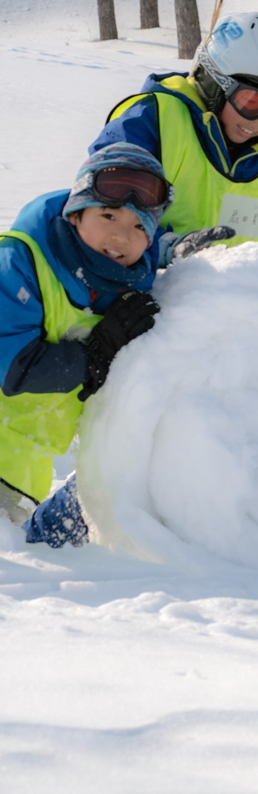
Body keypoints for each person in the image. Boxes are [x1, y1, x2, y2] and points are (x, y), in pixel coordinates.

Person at [0, 143, 170, 546]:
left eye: (138, 227)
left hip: (21, 468)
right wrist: (97, 354)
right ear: (75, 214)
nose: (119, 236)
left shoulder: (125, 276)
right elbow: (10, 364)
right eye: (108, 215)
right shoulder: (19, 261)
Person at [91, 11, 258, 249]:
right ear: (212, 81)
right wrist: (165, 251)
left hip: (241, 286)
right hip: (153, 283)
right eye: (251, 103)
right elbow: (100, 216)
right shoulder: (149, 122)